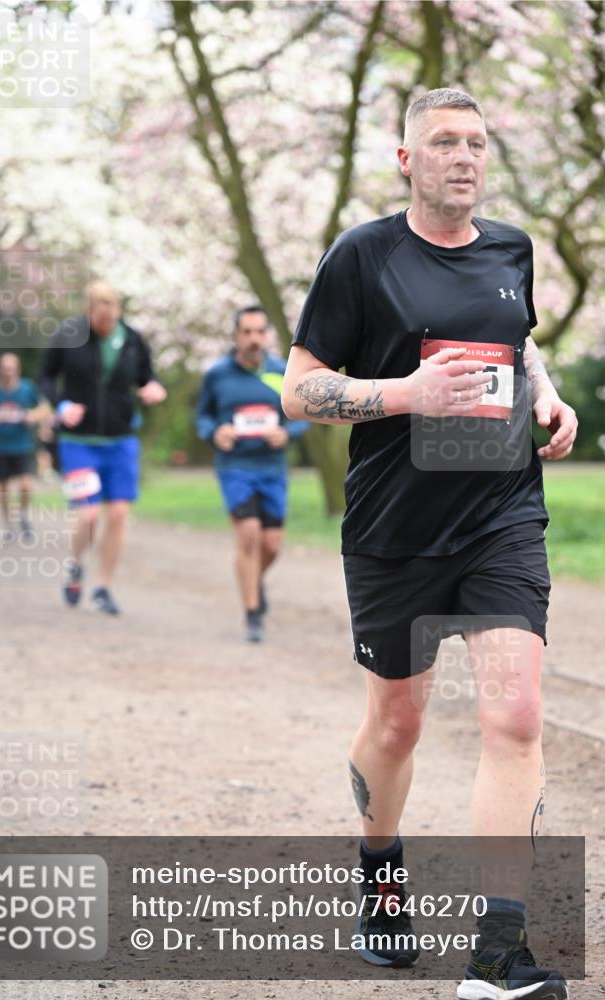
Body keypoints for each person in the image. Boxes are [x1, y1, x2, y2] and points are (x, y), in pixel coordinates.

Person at [282, 89, 578, 999]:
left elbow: (516, 341)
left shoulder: (510, 249)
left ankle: (496, 955)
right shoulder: (361, 256)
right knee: (396, 724)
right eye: (443, 142)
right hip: (394, 531)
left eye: (476, 143)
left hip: (500, 518)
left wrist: (544, 393)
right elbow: (299, 389)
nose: (464, 156)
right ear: (406, 159)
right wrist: (406, 394)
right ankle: (379, 878)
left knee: (515, 717)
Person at [40, 280, 166, 615]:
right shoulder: (68, 335)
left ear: (118, 311)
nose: (106, 324)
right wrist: (61, 405)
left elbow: (147, 376)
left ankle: (104, 587)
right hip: (78, 441)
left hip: (121, 440)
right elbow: (45, 377)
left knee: (119, 514)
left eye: (111, 318)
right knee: (88, 513)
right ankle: (75, 565)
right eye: (99, 318)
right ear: (88, 310)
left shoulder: (133, 339)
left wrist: (153, 388)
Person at [196, 305, 308, 643]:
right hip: (235, 467)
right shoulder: (217, 374)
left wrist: (287, 433)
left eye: (260, 331)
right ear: (236, 335)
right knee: (248, 534)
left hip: (272, 468)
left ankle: (252, 582)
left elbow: (302, 415)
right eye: (247, 332)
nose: (254, 338)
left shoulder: (282, 371)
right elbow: (202, 417)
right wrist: (215, 432)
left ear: (267, 334)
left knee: (271, 544)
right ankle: (252, 614)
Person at [0, 354, 46, 542]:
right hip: (0, 447)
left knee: (25, 486)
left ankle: (23, 515)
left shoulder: (27, 388)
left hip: (22, 446)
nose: (9, 372)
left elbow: (44, 409)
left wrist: (30, 416)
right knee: (3, 489)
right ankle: (8, 526)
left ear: (18, 369)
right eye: (6, 368)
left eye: (12, 368)